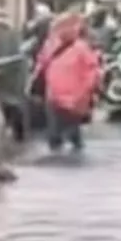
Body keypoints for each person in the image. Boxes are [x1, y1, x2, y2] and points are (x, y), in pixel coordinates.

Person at [34, 13, 102, 152]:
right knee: (59, 130)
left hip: (72, 96)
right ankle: (62, 144)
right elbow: (42, 63)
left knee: (69, 129)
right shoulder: (53, 44)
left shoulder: (80, 47)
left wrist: (87, 89)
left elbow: (92, 70)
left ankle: (66, 145)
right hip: (58, 95)